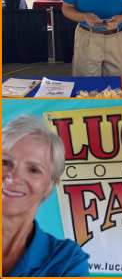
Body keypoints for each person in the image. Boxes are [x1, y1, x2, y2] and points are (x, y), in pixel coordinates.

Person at [2, 114, 91, 276]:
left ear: (49, 187)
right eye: (5, 162)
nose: (13, 177)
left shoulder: (67, 261)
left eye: (34, 170)